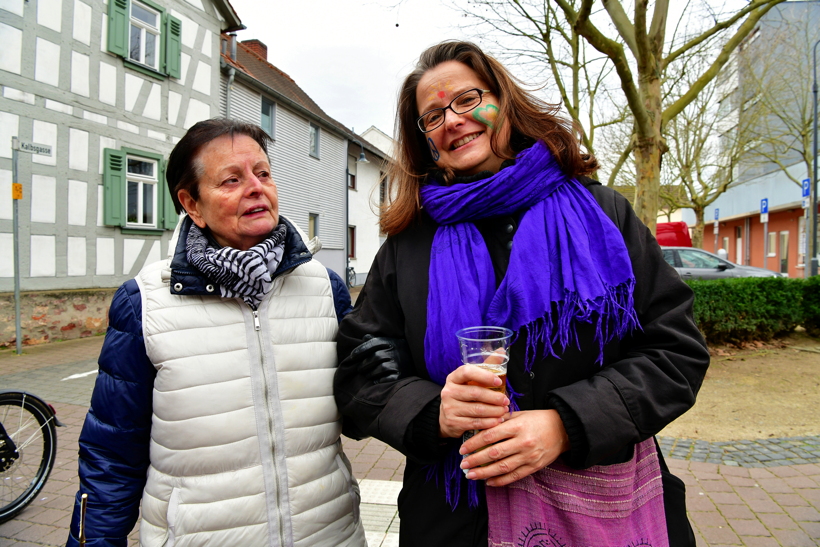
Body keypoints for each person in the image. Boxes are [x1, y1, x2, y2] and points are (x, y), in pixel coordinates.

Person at [334, 41, 710, 547]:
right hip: (456, 519)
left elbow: (675, 352)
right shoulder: (409, 244)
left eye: (467, 100)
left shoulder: (603, 214)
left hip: (601, 511)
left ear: (504, 102)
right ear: (426, 140)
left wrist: (566, 424)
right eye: (432, 116)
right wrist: (431, 411)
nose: (452, 120)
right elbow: (361, 366)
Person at [67, 119, 366, 547]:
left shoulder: (324, 287)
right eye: (231, 179)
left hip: (330, 534)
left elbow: (357, 412)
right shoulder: (144, 303)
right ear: (192, 204)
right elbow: (112, 453)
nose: (256, 187)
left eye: (262, 173)